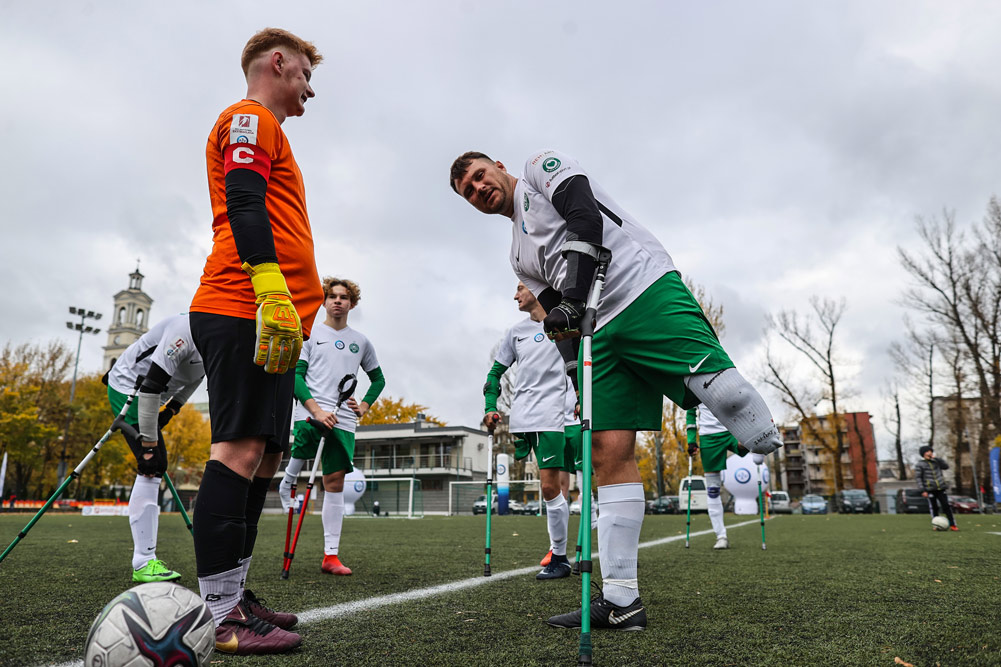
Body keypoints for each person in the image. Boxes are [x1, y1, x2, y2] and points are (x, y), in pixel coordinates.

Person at [450, 149, 783, 632]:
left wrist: (575, 301)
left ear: (497, 166)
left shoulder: (539, 168)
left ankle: (760, 450)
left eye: (480, 176)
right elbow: (554, 321)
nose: (479, 189)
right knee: (608, 453)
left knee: (733, 402)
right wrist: (573, 378)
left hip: (642, 289)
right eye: (469, 192)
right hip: (596, 333)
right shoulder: (518, 257)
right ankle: (622, 599)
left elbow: (585, 217)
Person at [188, 28, 324, 655]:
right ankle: (221, 615)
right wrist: (271, 286)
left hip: (272, 317)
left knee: (264, 459)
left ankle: (236, 593)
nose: (309, 88)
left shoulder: (273, 130)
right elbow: (244, 201)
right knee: (239, 452)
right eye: (302, 74)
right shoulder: (248, 117)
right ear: (277, 63)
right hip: (244, 304)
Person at [278, 277, 386, 576]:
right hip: (311, 411)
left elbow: (378, 380)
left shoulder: (361, 341)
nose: (338, 301)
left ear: (352, 303)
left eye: (344, 297)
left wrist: (363, 406)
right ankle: (287, 482)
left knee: (334, 483)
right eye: (332, 296)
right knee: (302, 452)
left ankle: (331, 556)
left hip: (344, 418)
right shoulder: (309, 333)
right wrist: (316, 409)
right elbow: (295, 377)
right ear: (324, 301)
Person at [483, 282, 580, 579]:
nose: (515, 295)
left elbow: (584, 365)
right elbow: (494, 375)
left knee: (554, 487)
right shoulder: (516, 332)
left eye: (521, 288)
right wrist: (490, 405)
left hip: (557, 416)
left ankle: (561, 555)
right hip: (524, 418)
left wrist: (581, 396)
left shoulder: (566, 326)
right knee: (551, 489)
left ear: (538, 290)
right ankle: (562, 554)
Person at [104, 313, 204, 582]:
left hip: (154, 392)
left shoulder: (220, 337)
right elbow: (150, 385)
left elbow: (197, 376)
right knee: (154, 464)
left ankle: (144, 559)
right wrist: (148, 444)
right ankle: (143, 562)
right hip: (130, 386)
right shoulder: (184, 329)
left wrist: (172, 408)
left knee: (156, 463)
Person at [686, 405, 760, 550]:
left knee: (747, 444)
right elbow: (690, 412)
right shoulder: (691, 383)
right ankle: (721, 536)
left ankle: (760, 446)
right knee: (713, 490)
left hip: (732, 430)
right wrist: (691, 440)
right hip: (708, 437)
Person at [915, 445, 957, 531]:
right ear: (923, 453)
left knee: (946, 506)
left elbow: (946, 466)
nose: (930, 453)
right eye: (927, 451)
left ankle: (953, 525)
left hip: (941, 488)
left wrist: (937, 459)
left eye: (931, 451)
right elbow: (918, 478)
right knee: (934, 508)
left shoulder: (936, 462)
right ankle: (936, 525)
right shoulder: (920, 464)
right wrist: (923, 490)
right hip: (930, 489)